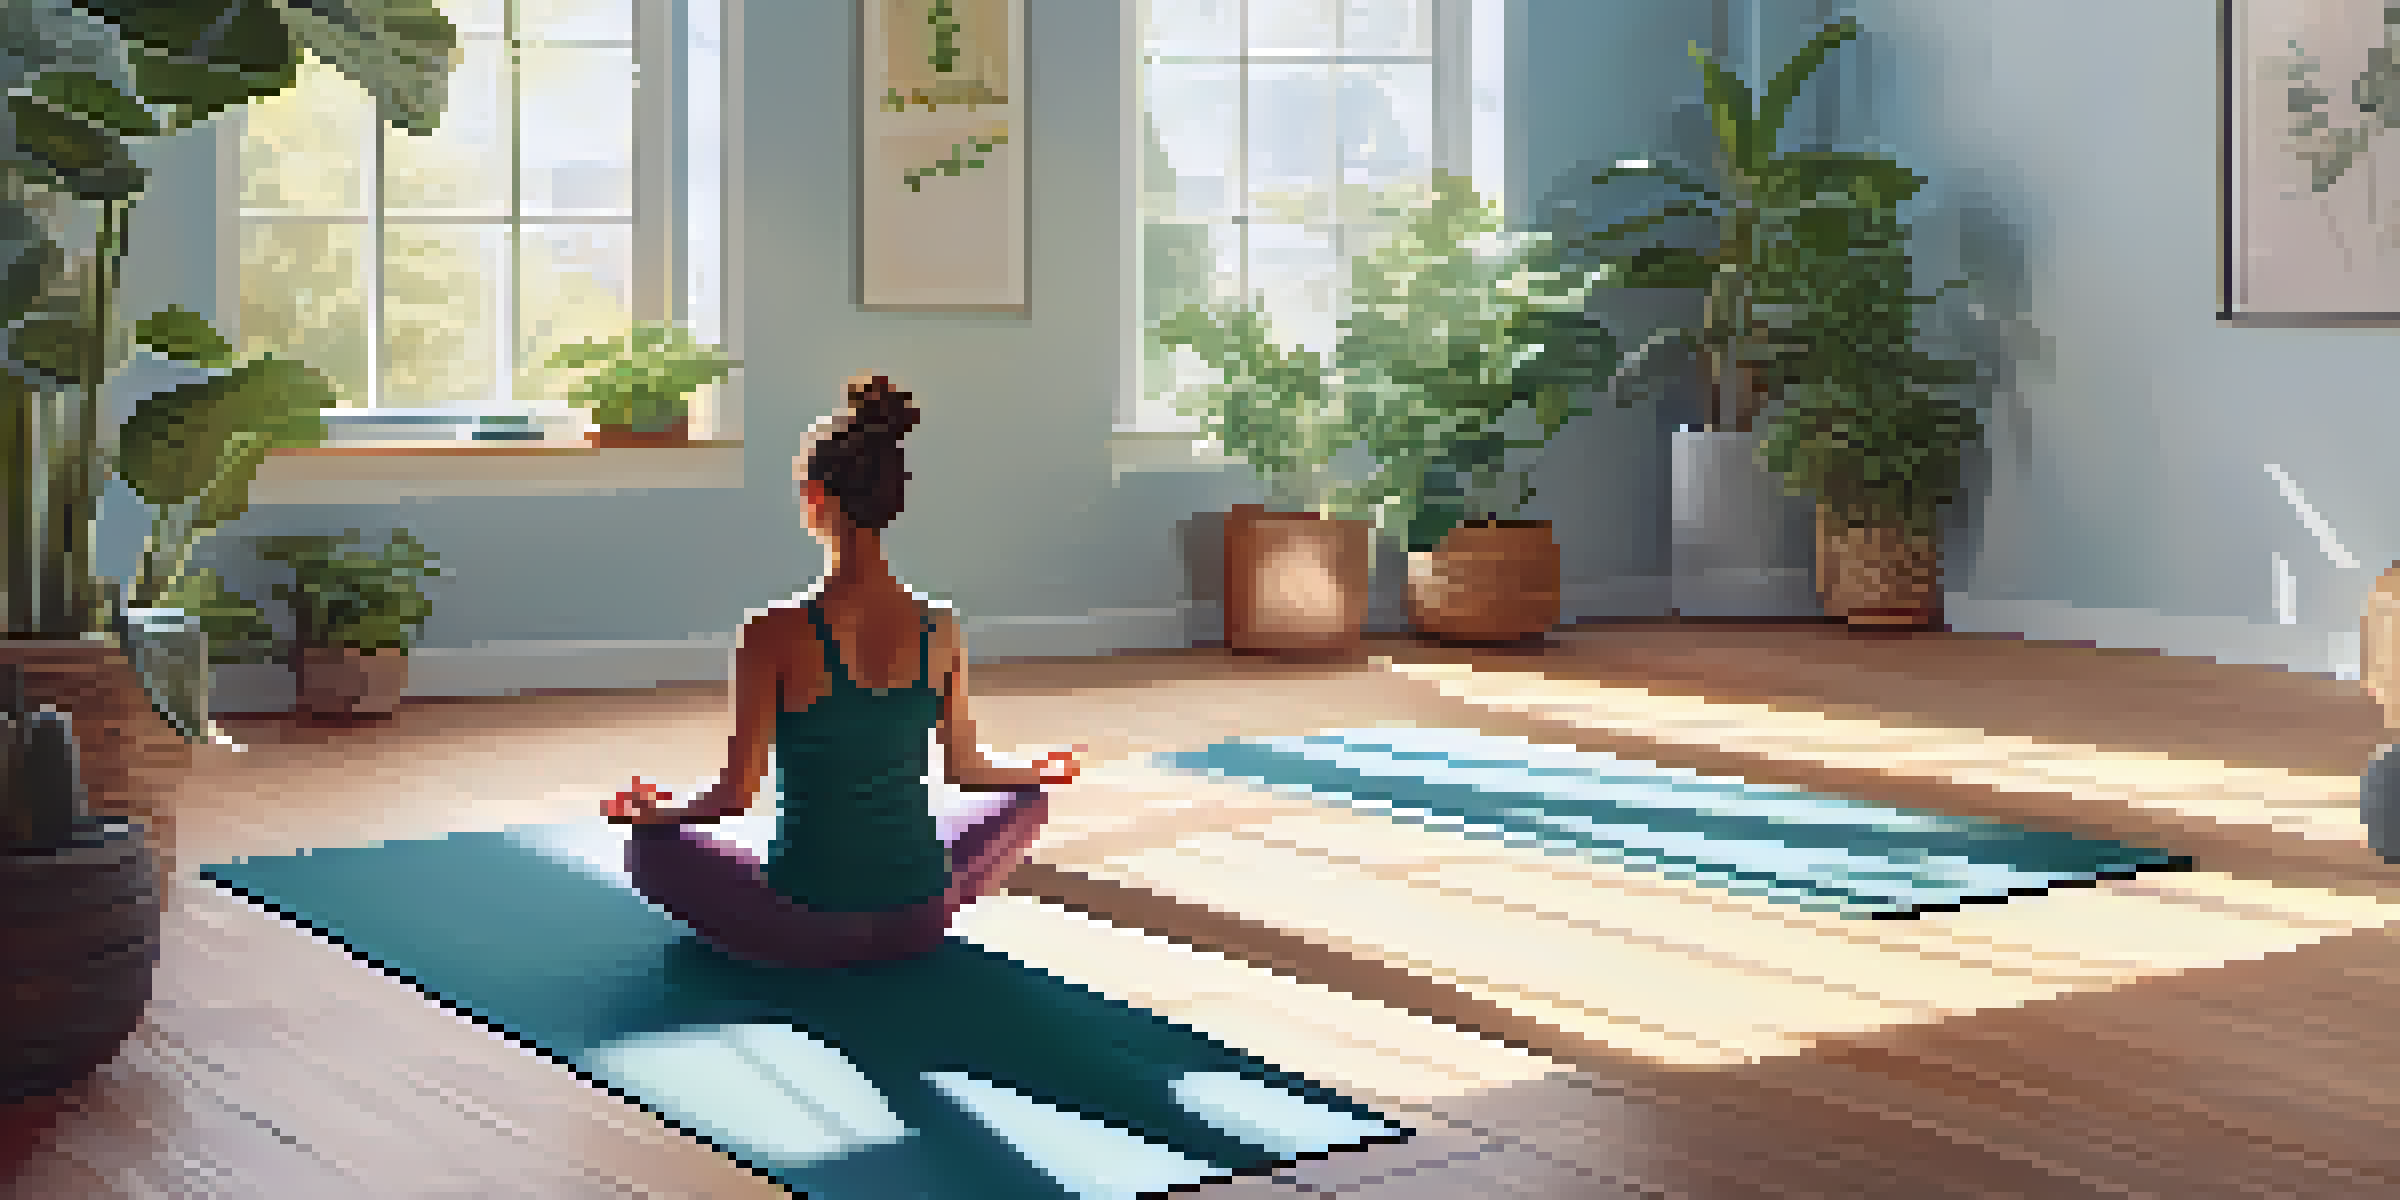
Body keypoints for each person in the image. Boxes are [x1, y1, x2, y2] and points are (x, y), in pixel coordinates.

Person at [604, 374, 1086, 967]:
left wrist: (658, 813)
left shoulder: (771, 631)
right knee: (1028, 801)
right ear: (893, 501)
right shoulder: (941, 627)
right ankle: (915, 897)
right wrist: (1033, 771)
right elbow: (966, 768)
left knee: (649, 848)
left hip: (805, 925)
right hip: (921, 918)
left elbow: (734, 795)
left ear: (814, 497)